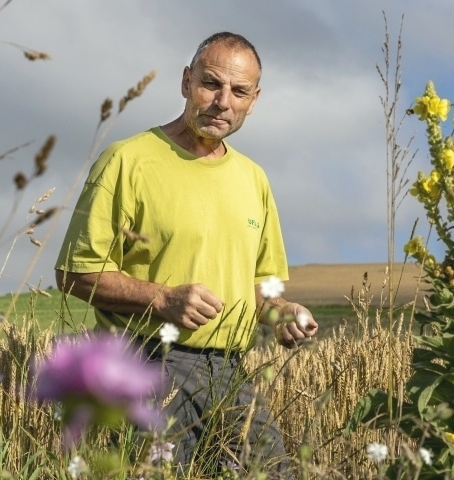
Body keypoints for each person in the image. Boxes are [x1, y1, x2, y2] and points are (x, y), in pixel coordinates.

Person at [54, 31, 317, 477]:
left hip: (233, 374)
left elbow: (263, 286)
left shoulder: (254, 179)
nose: (223, 102)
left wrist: (282, 311)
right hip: (149, 364)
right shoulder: (127, 161)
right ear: (185, 82)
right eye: (211, 84)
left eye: (239, 91)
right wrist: (161, 299)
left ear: (254, 100)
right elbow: (74, 274)